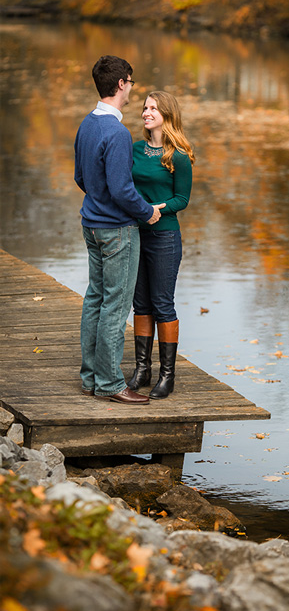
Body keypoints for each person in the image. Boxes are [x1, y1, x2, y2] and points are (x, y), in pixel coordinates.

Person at [75, 55, 163, 406]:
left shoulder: (87, 124)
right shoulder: (116, 132)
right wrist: (147, 213)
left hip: (91, 225)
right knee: (114, 304)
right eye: (131, 82)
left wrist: (99, 202)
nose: (132, 89)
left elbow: (82, 178)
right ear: (122, 82)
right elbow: (123, 190)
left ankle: (90, 378)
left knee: (95, 299)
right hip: (117, 231)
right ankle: (110, 383)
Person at [126, 91, 194, 399]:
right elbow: (124, 186)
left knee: (162, 303)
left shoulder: (178, 155)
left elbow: (182, 199)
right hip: (136, 235)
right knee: (140, 303)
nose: (146, 113)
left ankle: (168, 375)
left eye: (153, 108)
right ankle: (143, 368)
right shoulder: (135, 150)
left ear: (167, 114)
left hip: (165, 237)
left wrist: (154, 210)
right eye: (144, 108)